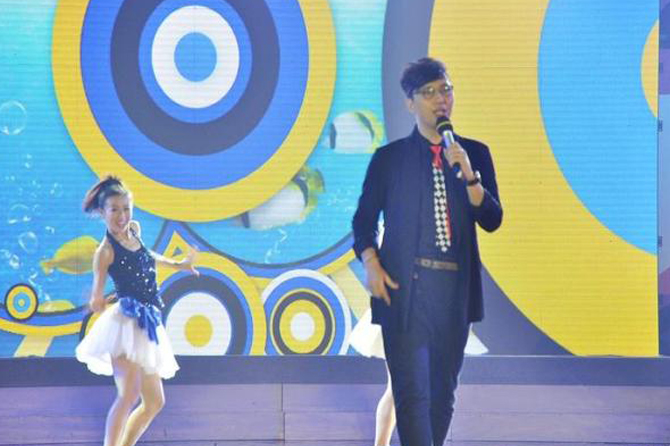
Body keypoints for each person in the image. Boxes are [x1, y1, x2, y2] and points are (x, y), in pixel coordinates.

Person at [352, 57, 503, 446]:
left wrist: (470, 177)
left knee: (441, 396)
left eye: (446, 89)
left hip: (454, 293)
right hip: (404, 291)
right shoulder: (390, 159)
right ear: (410, 102)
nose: (441, 99)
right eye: (430, 92)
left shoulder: (474, 154)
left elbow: (492, 219)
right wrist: (371, 262)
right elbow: (363, 221)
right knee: (410, 396)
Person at [76, 175, 199, 446]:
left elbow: (147, 257)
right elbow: (96, 297)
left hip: (147, 323)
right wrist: (98, 302)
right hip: (124, 325)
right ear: (102, 212)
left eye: (126, 208)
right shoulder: (105, 251)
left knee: (154, 401)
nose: (122, 216)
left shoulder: (133, 231)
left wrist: (178, 264)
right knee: (128, 395)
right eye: (114, 210)